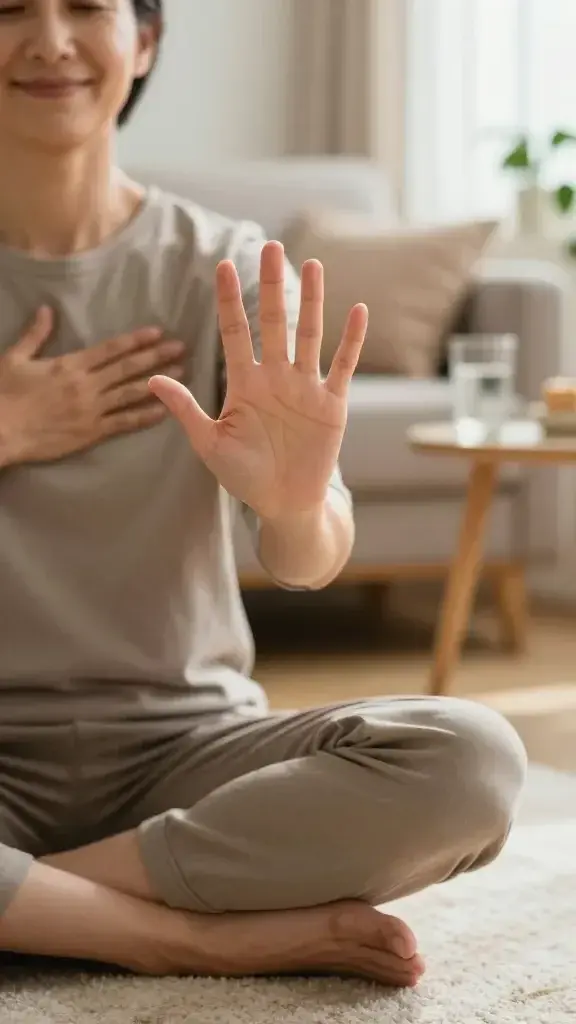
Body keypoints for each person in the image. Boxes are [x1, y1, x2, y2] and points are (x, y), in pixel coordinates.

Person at [0, 0, 527, 989]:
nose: (51, 41)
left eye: (85, 8)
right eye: (10, 9)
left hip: (184, 748)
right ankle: (179, 934)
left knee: (475, 758)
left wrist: (294, 500)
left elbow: (308, 557)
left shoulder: (224, 267)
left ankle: (47, 907)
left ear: (143, 39)